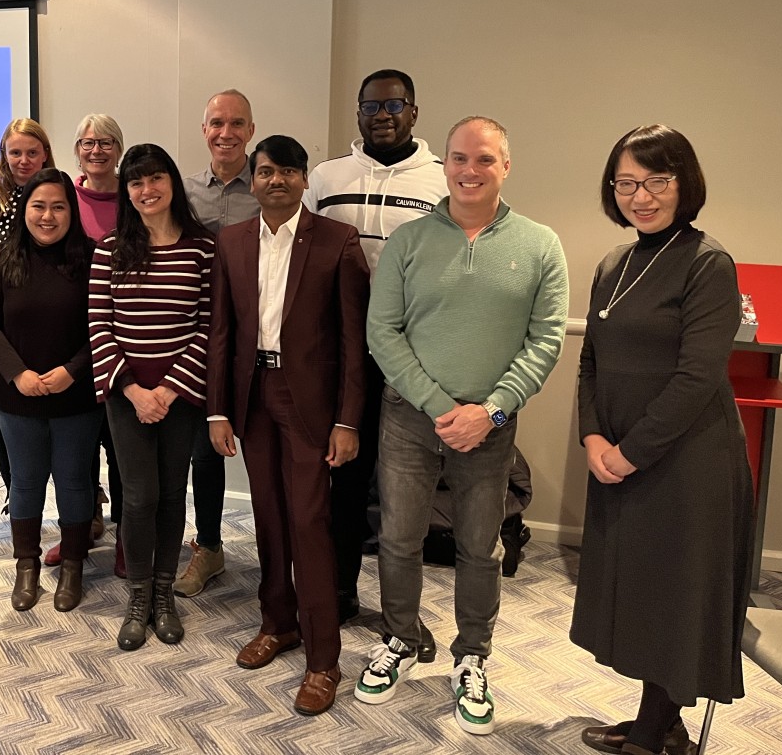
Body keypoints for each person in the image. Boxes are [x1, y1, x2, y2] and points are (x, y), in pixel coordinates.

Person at [360, 116, 568, 735]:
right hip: (409, 418)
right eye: (458, 159)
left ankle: (472, 655)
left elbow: (546, 339)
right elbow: (383, 332)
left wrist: (491, 410)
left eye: (483, 159)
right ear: (443, 164)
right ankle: (399, 638)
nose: (469, 171)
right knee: (399, 538)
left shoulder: (540, 244)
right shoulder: (410, 241)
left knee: (482, 547)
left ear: (506, 165)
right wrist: (435, 404)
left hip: (491, 424)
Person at [570, 126, 752, 755]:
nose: (640, 196)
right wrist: (593, 435)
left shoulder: (708, 263)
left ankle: (654, 731)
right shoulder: (613, 264)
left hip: (686, 458)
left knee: (675, 589)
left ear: (684, 184)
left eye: (656, 181)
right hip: (619, 451)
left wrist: (628, 452)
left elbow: (698, 378)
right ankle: (662, 720)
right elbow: (590, 360)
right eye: (626, 182)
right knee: (642, 586)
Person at [207, 135, 368, 716]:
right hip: (251, 398)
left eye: (288, 172)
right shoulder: (230, 242)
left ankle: (324, 658)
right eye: (266, 172)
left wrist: (348, 419)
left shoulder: (336, 240)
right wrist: (218, 409)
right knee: (269, 517)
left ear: (305, 180)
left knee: (309, 522)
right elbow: (221, 331)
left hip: (312, 405)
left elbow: (355, 341)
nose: (276, 181)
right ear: (252, 180)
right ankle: (278, 623)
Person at [305, 67, 447, 642]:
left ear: (415, 112)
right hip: (337, 354)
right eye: (371, 106)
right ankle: (338, 591)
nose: (382, 115)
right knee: (342, 481)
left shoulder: (442, 182)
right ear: (358, 114)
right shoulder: (327, 176)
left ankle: (400, 615)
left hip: (412, 356)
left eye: (394, 105)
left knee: (402, 492)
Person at [90, 143, 213, 651]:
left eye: (155, 178)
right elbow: (99, 327)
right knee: (138, 497)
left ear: (172, 182)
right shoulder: (110, 249)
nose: (146, 190)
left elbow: (207, 327)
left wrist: (166, 390)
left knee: (170, 495)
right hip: (126, 396)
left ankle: (164, 593)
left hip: (179, 397)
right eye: (136, 182)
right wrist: (136, 391)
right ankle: (138, 596)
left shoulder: (202, 248)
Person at [0, 169, 101, 612]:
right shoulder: (3, 259)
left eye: (59, 206)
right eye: (38, 206)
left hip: (77, 395)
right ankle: (26, 567)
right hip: (17, 396)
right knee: (25, 483)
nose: (47, 216)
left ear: (73, 210)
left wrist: (72, 370)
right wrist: (17, 373)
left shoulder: (92, 258)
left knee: (73, 482)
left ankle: (72, 567)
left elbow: (106, 327)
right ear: (24, 209)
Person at [177, 89, 260, 599]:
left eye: (236, 123)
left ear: (251, 130)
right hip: (204, 338)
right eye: (215, 123)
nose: (225, 133)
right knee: (204, 452)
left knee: (270, 450)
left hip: (263, 337)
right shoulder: (184, 194)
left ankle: (278, 548)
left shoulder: (274, 186)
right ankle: (208, 547)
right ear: (203, 129)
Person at [42, 114, 126, 576]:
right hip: (70, 339)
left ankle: (124, 538)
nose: (97, 150)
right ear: (76, 149)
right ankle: (79, 526)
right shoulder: (64, 198)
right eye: (87, 142)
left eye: (107, 142)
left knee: (120, 446)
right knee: (75, 448)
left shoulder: (134, 196)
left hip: (121, 337)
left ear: (119, 147)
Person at [0, 118, 57, 500]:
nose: (23, 160)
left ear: (45, 155)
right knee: (2, 414)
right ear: (4, 156)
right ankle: (17, 493)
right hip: (6, 326)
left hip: (56, 322)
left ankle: (81, 502)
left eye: (32, 152)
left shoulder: (62, 196)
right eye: (15, 153)